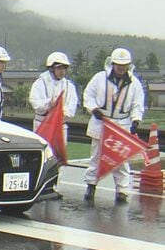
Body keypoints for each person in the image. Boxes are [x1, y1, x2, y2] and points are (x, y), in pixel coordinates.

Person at [82, 47, 145, 203]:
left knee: (121, 160)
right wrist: (93, 109)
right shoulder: (99, 78)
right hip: (101, 121)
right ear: (113, 63)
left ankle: (122, 190)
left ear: (128, 65)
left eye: (124, 64)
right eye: (118, 64)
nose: (120, 67)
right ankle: (91, 184)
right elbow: (88, 95)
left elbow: (138, 103)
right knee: (96, 157)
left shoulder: (134, 83)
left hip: (122, 124)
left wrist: (136, 119)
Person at [29, 52, 79, 199]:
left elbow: (71, 107)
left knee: (57, 156)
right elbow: (35, 103)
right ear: (51, 68)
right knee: (41, 156)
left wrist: (60, 111)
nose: (62, 71)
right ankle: (37, 185)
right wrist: (48, 105)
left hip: (60, 126)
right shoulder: (40, 83)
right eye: (59, 68)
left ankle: (54, 186)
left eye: (64, 68)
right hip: (42, 124)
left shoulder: (69, 86)